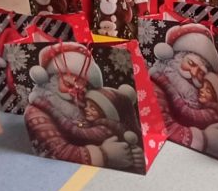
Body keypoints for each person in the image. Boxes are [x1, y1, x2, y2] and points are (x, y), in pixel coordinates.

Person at [24, 43, 144, 172]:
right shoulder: (36, 112)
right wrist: (103, 154)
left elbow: (113, 128)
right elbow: (54, 152)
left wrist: (133, 155)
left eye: (80, 90)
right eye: (68, 85)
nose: (73, 93)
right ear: (52, 80)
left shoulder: (86, 109)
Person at [148, 24, 218, 165]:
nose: (194, 73)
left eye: (201, 73)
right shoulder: (157, 84)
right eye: (191, 63)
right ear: (176, 57)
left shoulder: (199, 104)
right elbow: (161, 127)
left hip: (191, 160)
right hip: (166, 159)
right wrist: (204, 139)